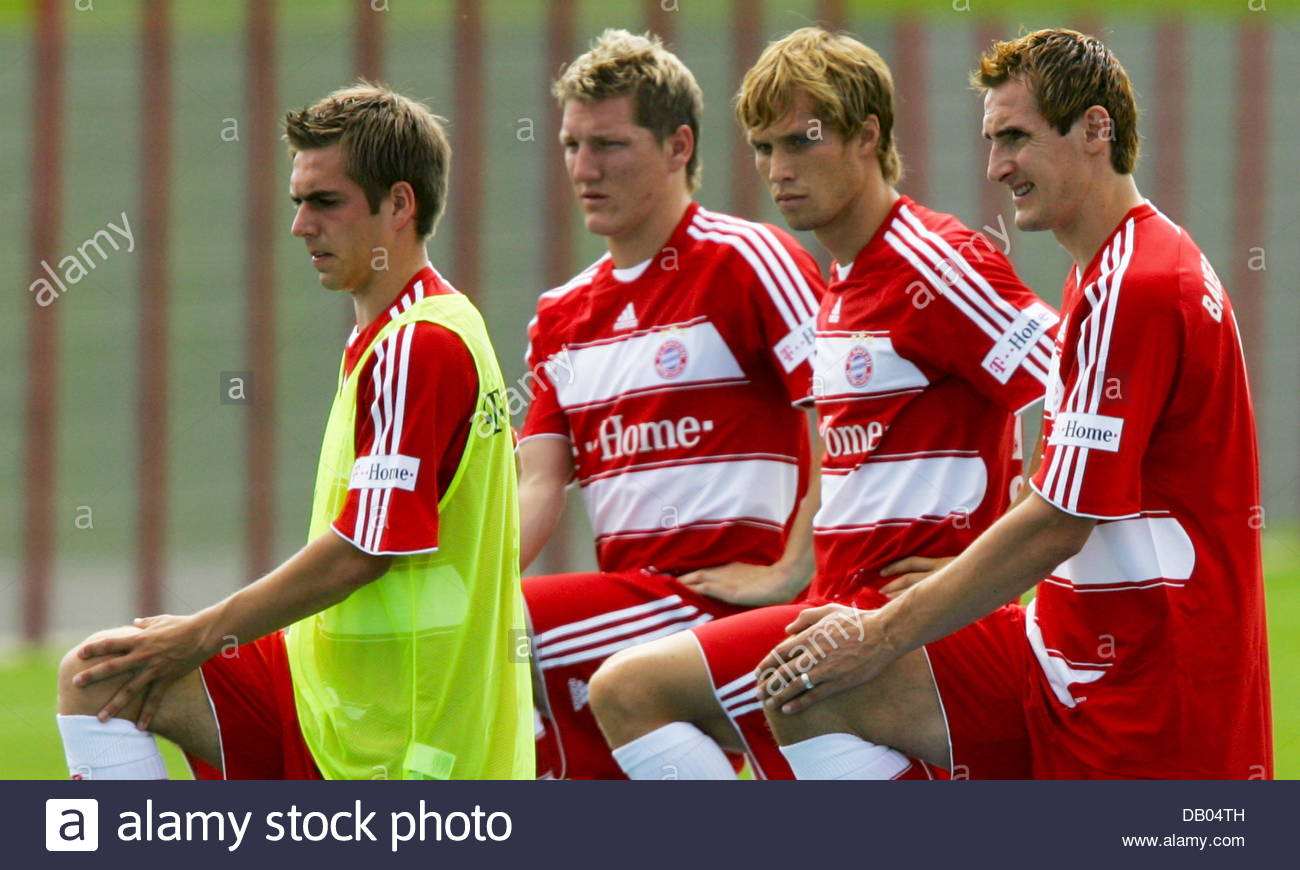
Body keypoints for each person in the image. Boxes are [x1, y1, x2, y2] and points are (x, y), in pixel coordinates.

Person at [756, 28, 1273, 780]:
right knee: (804, 683)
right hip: (1064, 650)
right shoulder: (1106, 274)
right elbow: (1061, 491)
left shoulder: (1139, 285)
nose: (998, 167)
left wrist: (882, 629)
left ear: (1096, 129)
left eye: (1017, 139)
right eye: (992, 140)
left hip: (1147, 687)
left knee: (653, 687)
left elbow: (1059, 523)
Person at [588, 26, 1059, 780]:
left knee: (631, 689)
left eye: (800, 143)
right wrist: (789, 570)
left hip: (904, 630)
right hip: (833, 612)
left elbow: (1078, 383)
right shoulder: (838, 280)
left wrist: (994, 562)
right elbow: (843, 461)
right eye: (764, 149)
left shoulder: (934, 260)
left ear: (867, 136)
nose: (779, 170)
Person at [55, 83, 533, 780]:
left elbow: (359, 554)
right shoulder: (408, 330)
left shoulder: (418, 345)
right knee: (102, 675)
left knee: (109, 675)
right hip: (333, 692)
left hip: (399, 734)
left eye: (326, 202)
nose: (301, 225)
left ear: (399, 204)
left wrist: (200, 634)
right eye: (298, 202)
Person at [518, 29, 825, 779]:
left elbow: (844, 414)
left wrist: (794, 569)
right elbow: (537, 484)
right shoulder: (559, 314)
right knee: (471, 623)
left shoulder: (746, 260)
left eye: (610, 146)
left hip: (730, 603)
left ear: (679, 145)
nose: (583, 170)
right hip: (635, 608)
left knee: (506, 632)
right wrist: (463, 579)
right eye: (570, 145)